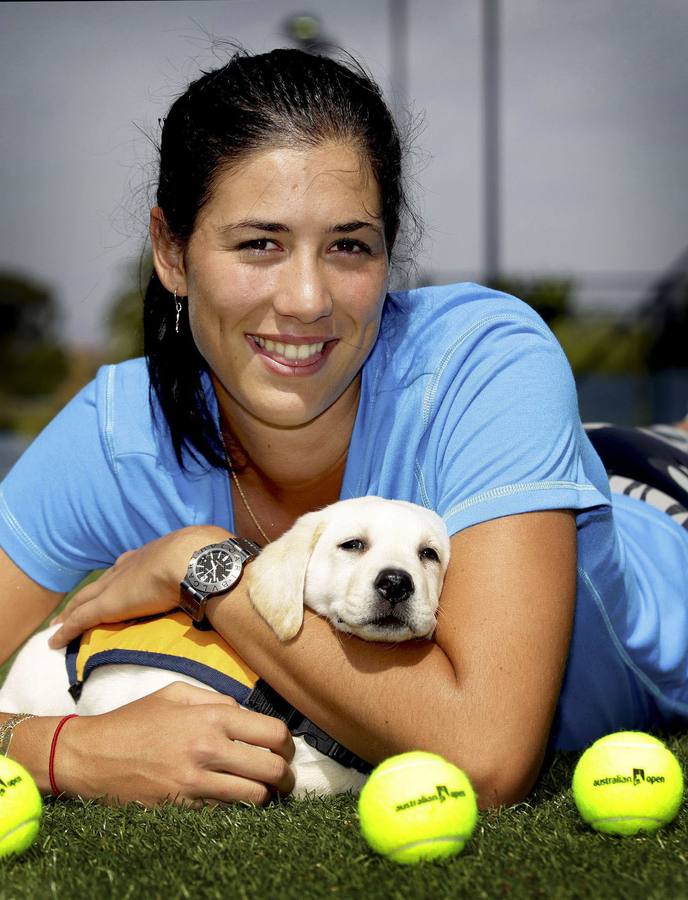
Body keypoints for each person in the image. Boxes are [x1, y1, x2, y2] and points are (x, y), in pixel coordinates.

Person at [1, 47, 687, 812]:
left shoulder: (484, 364)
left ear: (390, 253)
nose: (305, 298)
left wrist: (207, 568)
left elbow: (487, 760)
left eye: (349, 246)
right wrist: (57, 747)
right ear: (171, 251)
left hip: (664, 516)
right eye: (259, 243)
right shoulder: (118, 434)